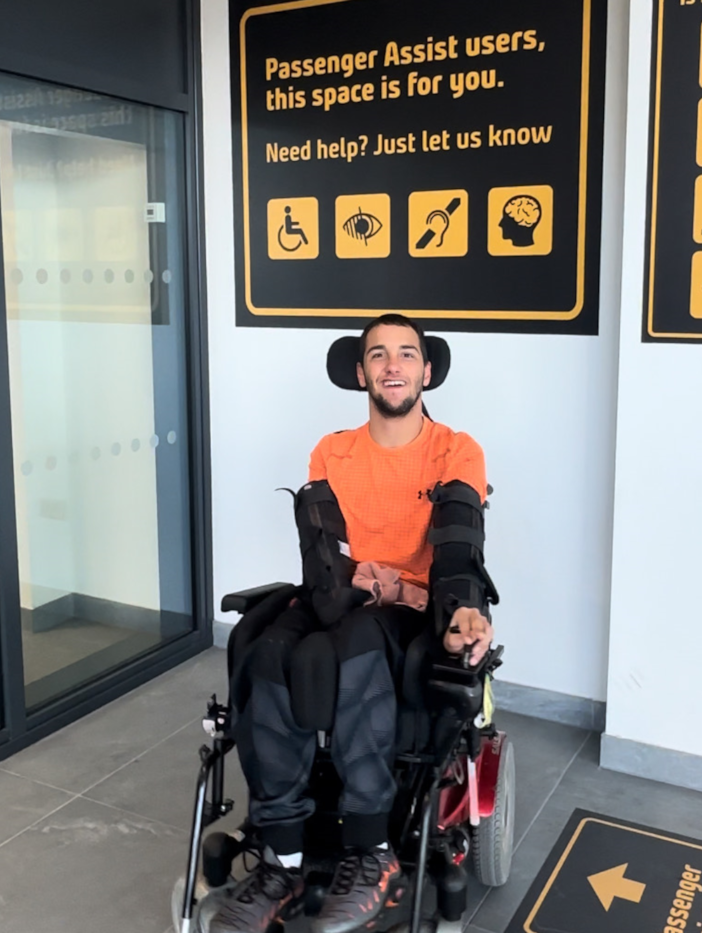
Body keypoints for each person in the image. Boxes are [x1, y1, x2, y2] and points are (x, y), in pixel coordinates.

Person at [211, 314, 496, 933]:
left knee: (356, 645)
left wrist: (460, 608)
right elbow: (323, 553)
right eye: (378, 355)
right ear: (360, 371)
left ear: (427, 369)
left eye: (406, 354)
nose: (392, 366)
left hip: (410, 609)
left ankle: (372, 852)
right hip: (339, 595)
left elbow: (456, 548)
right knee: (263, 651)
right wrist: (348, 586)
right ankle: (282, 857)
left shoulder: (455, 449)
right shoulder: (331, 450)